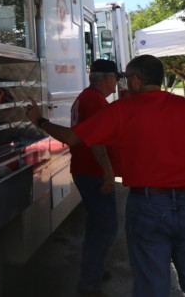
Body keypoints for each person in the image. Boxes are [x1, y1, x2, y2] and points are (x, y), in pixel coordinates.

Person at [26, 55, 185, 297]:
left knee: (152, 283)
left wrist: (39, 120)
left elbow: (72, 138)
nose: (124, 84)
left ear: (137, 79)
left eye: (126, 79)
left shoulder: (122, 110)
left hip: (148, 205)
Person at [70, 59, 123, 296]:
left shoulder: (89, 98)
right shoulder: (94, 101)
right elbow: (96, 141)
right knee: (106, 227)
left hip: (87, 170)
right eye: (116, 77)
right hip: (92, 172)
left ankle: (94, 270)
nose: (117, 83)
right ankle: (90, 281)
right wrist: (108, 172)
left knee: (97, 226)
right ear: (107, 78)